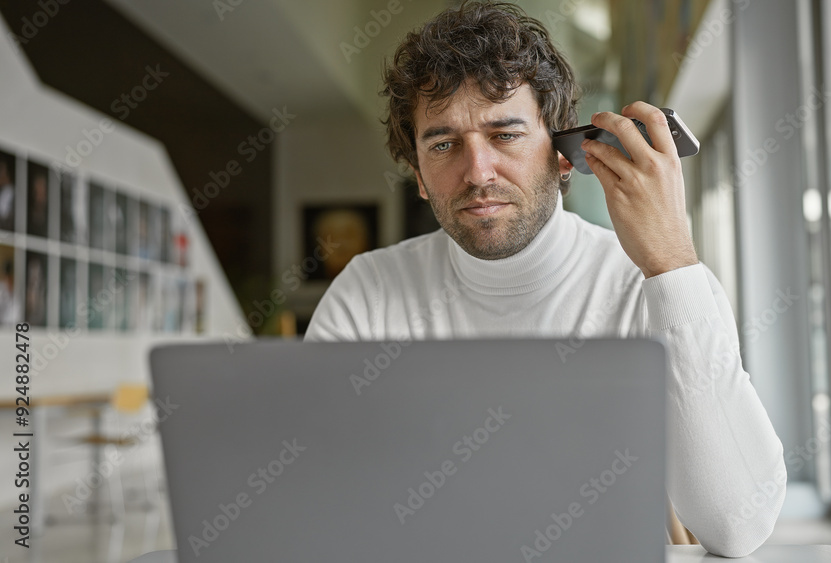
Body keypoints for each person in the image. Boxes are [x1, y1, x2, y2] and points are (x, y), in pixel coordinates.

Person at [305, 1, 785, 557]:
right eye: (442, 144)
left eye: (505, 134)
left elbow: (739, 524)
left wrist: (672, 264)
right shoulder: (369, 291)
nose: (477, 172)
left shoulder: (651, 284)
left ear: (564, 156)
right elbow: (318, 498)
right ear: (418, 175)